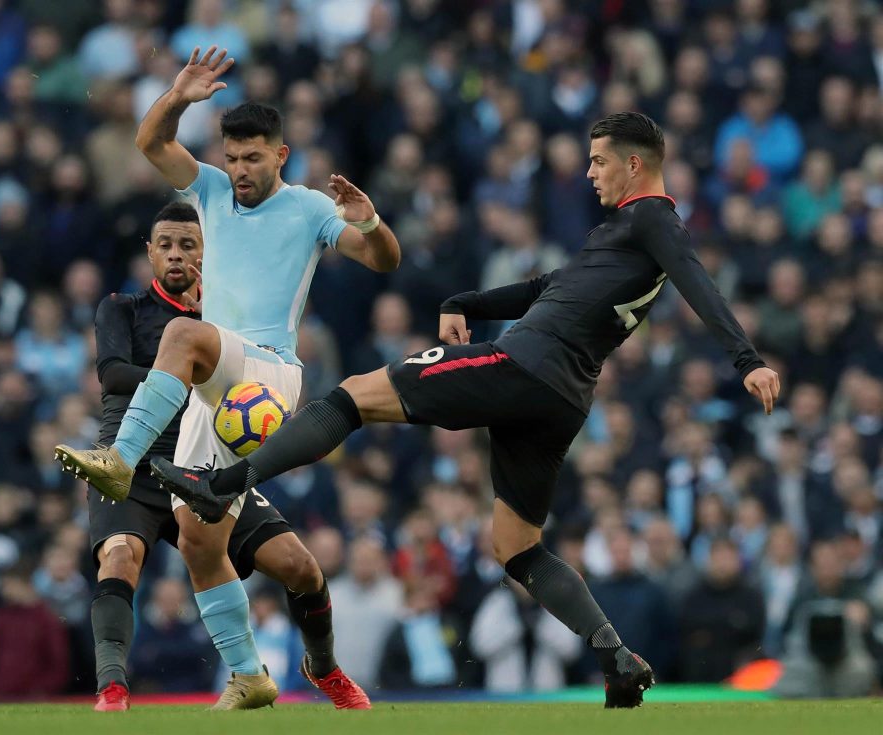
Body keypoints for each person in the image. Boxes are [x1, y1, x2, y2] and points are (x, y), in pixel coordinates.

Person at [152, 112, 782, 708]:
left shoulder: (654, 221)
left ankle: (222, 483)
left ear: (635, 164)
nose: (590, 172)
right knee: (516, 547)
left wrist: (745, 359)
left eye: (598, 162)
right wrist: (466, 300)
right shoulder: (623, 231)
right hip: (563, 398)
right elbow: (549, 288)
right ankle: (614, 654)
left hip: (523, 367)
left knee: (353, 395)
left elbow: (697, 281)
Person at [56, 46, 399, 709]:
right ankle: (251, 673)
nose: (240, 170)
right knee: (202, 540)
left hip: (268, 375)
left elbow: (381, 260)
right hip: (215, 394)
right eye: (233, 157)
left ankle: (120, 461)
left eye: (253, 157)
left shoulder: (306, 209)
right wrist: (179, 95)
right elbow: (150, 140)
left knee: (184, 334)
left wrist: (371, 221)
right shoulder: (209, 190)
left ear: (281, 154)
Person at [80, 203, 366, 711]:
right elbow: (114, 376)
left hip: (203, 467)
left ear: (208, 253)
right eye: (165, 244)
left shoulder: (228, 324)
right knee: (119, 556)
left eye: (188, 245)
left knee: (300, 567)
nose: (175, 255)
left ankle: (325, 669)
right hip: (136, 465)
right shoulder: (122, 309)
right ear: (149, 252)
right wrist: (186, 369)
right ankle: (113, 688)